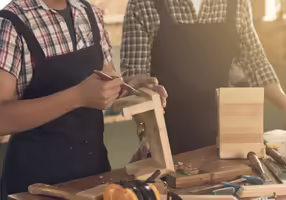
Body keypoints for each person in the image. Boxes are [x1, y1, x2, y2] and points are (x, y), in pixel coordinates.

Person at [0, 0, 166, 197]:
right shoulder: (11, 22)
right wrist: (77, 97)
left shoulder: (90, 14)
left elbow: (106, 81)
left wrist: (130, 88)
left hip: (93, 178)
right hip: (34, 185)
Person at [120, 0, 286, 155]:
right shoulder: (143, 4)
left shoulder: (236, 4)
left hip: (223, 134)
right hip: (166, 132)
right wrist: (149, 135)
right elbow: (135, 79)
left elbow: (257, 64)